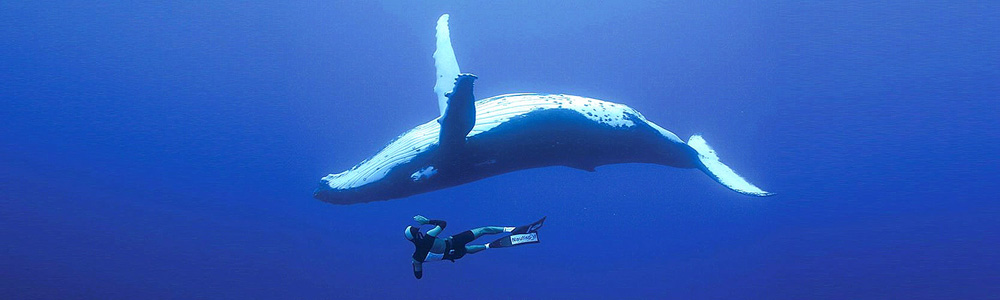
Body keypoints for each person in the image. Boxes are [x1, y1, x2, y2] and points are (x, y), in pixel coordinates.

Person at [404, 215, 545, 279]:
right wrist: (427, 221)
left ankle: (488, 246)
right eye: (417, 232)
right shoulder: (429, 236)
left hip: (454, 255)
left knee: (466, 250)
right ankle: (512, 229)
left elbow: (418, 275)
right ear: (417, 236)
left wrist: (415, 263)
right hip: (454, 241)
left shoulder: (417, 257)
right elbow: (443, 223)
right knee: (483, 230)